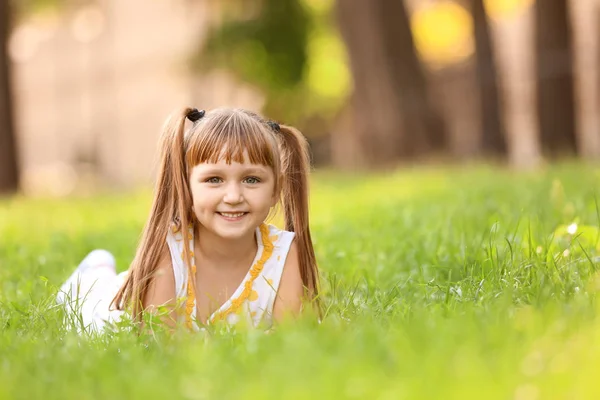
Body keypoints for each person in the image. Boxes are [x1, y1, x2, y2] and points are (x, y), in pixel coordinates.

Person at [56, 107, 320, 333]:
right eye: (213, 179)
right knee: (92, 297)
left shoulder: (285, 255)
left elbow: (290, 339)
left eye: (251, 180)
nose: (233, 196)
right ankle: (93, 272)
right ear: (185, 186)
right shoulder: (169, 252)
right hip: (107, 311)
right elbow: (161, 344)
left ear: (276, 189)